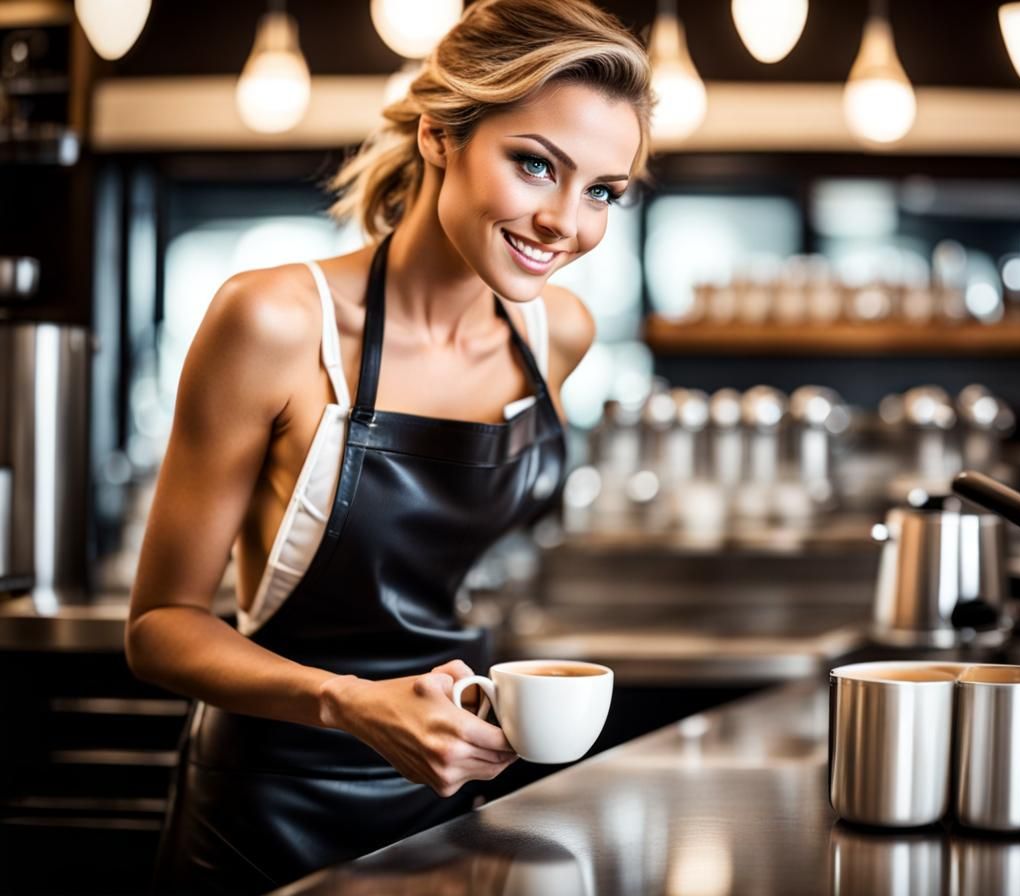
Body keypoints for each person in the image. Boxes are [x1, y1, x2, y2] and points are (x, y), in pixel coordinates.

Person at [125, 0, 653, 892]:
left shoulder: (557, 332)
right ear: (442, 135)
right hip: (272, 806)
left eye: (602, 190)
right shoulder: (275, 321)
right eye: (535, 165)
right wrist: (348, 701)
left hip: (454, 788)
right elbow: (157, 628)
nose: (567, 222)